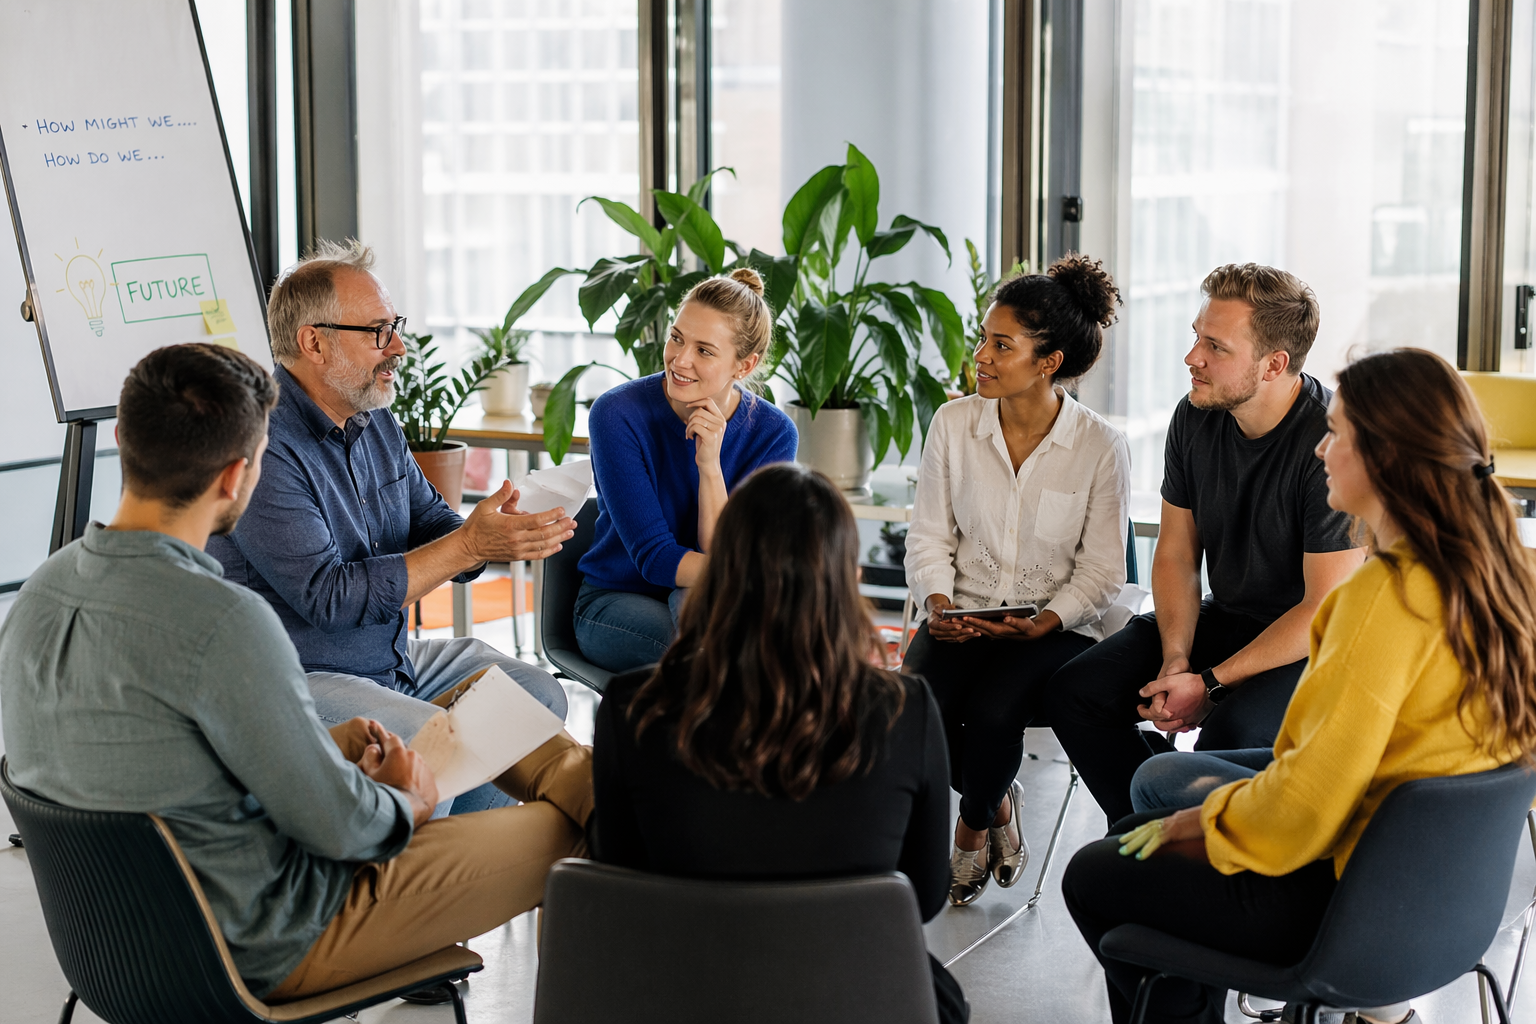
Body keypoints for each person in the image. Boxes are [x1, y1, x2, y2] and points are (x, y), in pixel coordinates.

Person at [0, 344, 593, 1001]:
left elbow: (166, 761)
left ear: (122, 438)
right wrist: (406, 798)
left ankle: (633, 793)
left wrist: (338, 751)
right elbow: (344, 829)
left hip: (122, 947)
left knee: (499, 703)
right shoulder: (223, 621)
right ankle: (661, 814)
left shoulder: (40, 593)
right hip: (278, 939)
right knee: (563, 824)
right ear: (236, 479)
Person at [1062, 348, 1536, 1024]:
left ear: (1386, 459)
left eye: (1337, 433)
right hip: (1444, 906)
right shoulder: (1505, 578)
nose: (1320, 451)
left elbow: (1306, 810)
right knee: (1154, 804)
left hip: (1347, 904)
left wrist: (1205, 824)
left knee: (1095, 875)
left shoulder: (1384, 596)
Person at [590, 463, 968, 1023]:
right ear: (844, 576)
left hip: (680, 992)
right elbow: (926, 894)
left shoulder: (632, 704)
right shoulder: (904, 711)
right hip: (851, 993)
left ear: (723, 569)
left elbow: (617, 872)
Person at [208, 241, 575, 815]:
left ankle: (464, 865)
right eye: (378, 331)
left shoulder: (373, 417)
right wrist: (467, 545)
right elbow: (329, 597)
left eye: (394, 327)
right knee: (438, 747)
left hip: (388, 660)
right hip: (296, 679)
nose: (398, 348)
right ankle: (436, 880)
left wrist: (494, 530)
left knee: (535, 697)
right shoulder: (261, 444)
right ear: (314, 342)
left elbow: (431, 521)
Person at [1045, 263, 1363, 826]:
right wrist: (1176, 660)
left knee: (1226, 739)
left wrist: (1209, 685)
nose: (1193, 357)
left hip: (1312, 645)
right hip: (1230, 617)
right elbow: (1175, 554)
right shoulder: (1194, 416)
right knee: (1077, 691)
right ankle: (1148, 840)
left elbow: (1323, 610)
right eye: (1197, 336)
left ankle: (1184, 853)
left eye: (1215, 346)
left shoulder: (1331, 442)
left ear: (1274, 365)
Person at [903, 253, 1131, 906]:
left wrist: (1047, 619)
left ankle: (971, 830)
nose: (982, 355)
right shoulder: (953, 424)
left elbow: (1102, 570)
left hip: (1051, 625)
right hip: (962, 610)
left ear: (1048, 362)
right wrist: (941, 604)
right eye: (985, 339)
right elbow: (930, 536)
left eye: (1001, 345)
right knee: (917, 709)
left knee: (996, 709)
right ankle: (1000, 802)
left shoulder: (1099, 447)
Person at [574, 268, 798, 673]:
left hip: (710, 597)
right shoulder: (617, 414)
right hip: (613, 601)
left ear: (744, 366)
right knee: (707, 654)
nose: (680, 360)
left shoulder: (773, 434)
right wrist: (754, 576)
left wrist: (710, 466)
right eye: (676, 337)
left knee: (717, 633)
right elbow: (656, 560)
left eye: (704, 351)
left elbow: (722, 554)